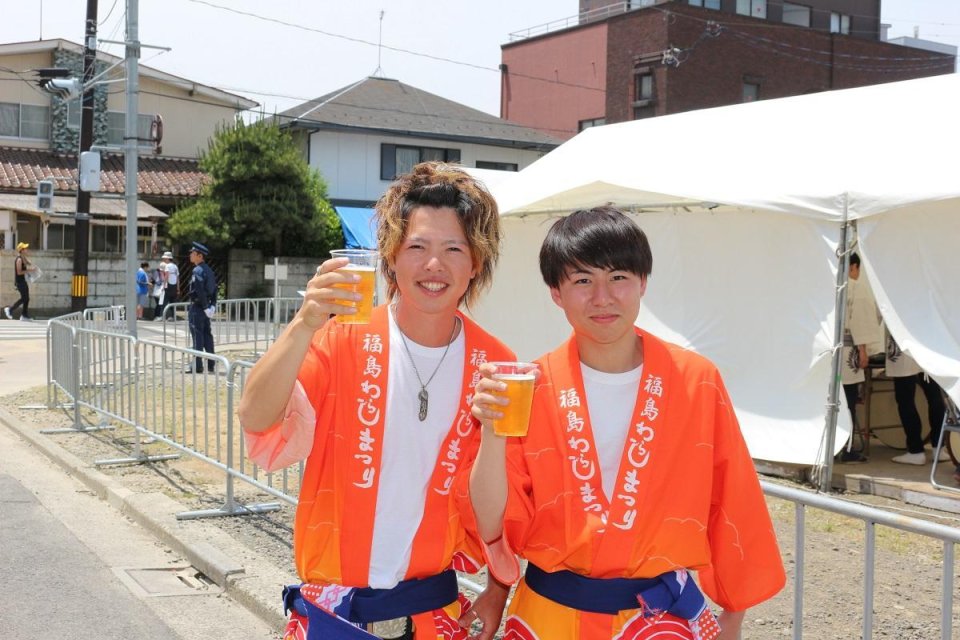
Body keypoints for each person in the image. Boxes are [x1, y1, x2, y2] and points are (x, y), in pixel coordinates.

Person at [467, 207, 786, 640]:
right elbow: (494, 521)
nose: (603, 297)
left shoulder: (695, 380)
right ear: (556, 292)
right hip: (549, 616)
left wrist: (734, 614)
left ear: (642, 283)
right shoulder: (529, 388)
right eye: (582, 280)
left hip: (660, 621)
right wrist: (491, 430)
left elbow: (733, 498)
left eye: (618, 277)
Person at [238, 162, 514, 640]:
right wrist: (305, 323)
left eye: (455, 249)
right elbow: (257, 417)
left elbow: (505, 499)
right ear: (389, 259)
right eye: (417, 247)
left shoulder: (495, 364)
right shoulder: (341, 335)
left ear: (476, 264)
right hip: (335, 609)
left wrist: (498, 587)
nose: (435, 265)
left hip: (433, 610)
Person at [838, 252, 882, 463]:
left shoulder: (828, 286)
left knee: (834, 399)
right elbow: (861, 322)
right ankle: (846, 447)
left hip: (831, 353)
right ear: (854, 267)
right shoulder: (855, 287)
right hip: (848, 351)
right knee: (848, 399)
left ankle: (835, 446)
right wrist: (864, 350)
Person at [885, 330, 948, 465]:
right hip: (926, 342)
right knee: (934, 396)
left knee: (905, 399)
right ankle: (939, 447)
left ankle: (915, 450)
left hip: (903, 342)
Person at [186, 242, 217, 373]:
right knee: (207, 336)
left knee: (197, 336)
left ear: (199, 256)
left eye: (193, 254)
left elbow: (199, 290)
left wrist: (205, 306)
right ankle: (211, 364)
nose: (190, 256)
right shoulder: (209, 270)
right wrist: (212, 306)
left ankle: (198, 365)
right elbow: (215, 289)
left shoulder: (197, 270)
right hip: (206, 307)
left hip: (198, 307)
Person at [4, 242, 37, 321]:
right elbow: (19, 272)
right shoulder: (19, 259)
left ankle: (24, 315)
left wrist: (30, 264)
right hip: (19, 282)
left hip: (23, 281)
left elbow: (27, 263)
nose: (27, 249)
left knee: (26, 298)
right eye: (25, 248)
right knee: (24, 298)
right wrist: (30, 270)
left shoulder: (22, 258)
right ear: (21, 250)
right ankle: (10, 310)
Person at [158, 250, 180, 319]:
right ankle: (173, 316)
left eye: (165, 258)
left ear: (168, 258)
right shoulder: (175, 266)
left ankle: (162, 316)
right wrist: (178, 289)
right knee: (172, 302)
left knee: (164, 301)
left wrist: (164, 286)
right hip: (174, 286)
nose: (164, 259)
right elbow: (177, 278)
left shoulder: (167, 266)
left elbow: (166, 276)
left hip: (168, 286)